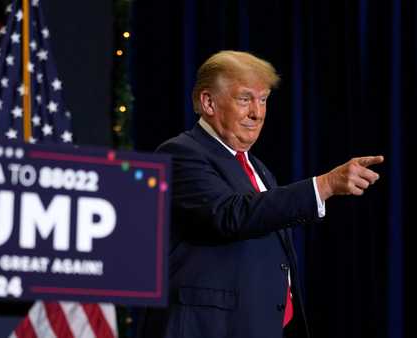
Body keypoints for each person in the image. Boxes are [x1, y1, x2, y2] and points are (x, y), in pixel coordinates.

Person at [136, 50, 384, 338]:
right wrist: (324, 185)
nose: (257, 112)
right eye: (245, 99)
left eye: (263, 99)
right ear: (208, 102)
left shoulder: (259, 169)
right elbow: (230, 214)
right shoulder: (181, 153)